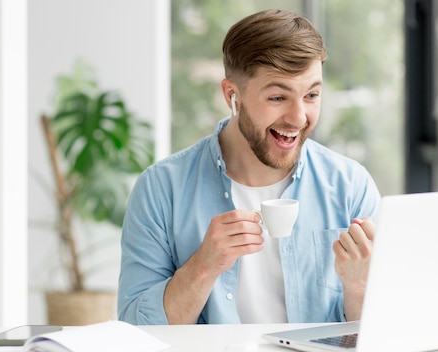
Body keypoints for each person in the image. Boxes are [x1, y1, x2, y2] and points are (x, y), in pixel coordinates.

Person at [117, 9, 380, 325]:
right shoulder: (161, 190)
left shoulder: (350, 186)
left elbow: (387, 334)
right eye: (278, 97)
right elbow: (133, 333)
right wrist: (203, 266)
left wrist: (359, 287)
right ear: (232, 95)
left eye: (311, 94)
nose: (298, 117)